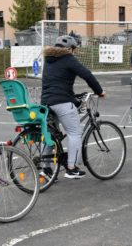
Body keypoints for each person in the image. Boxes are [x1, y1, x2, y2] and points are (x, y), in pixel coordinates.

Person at [41, 35, 105, 179]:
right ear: (69, 49)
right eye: (74, 49)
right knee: (75, 133)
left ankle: (46, 169)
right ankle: (71, 168)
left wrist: (72, 98)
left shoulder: (48, 60)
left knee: (51, 135)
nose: (74, 52)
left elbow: (57, 83)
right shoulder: (68, 58)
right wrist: (99, 91)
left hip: (46, 102)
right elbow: (87, 75)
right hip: (62, 103)